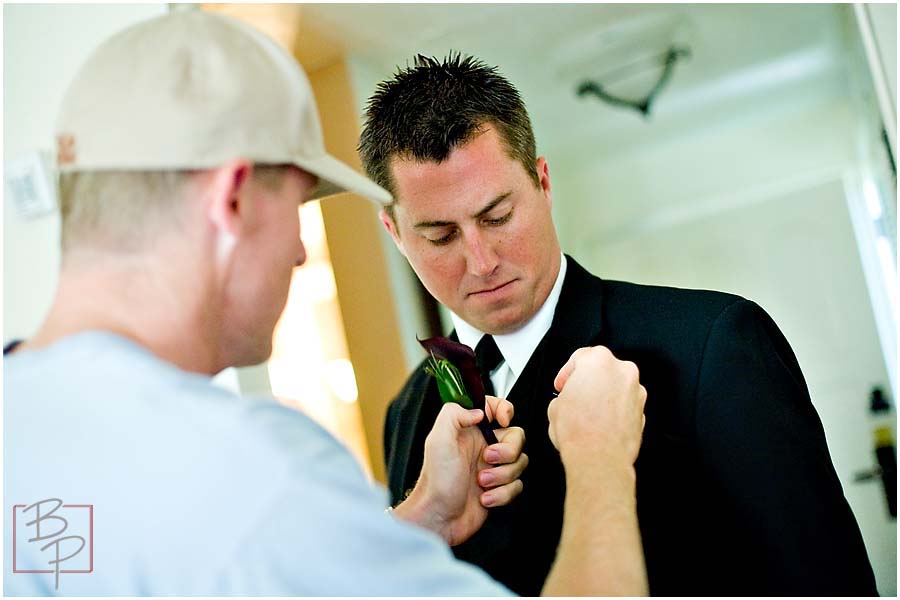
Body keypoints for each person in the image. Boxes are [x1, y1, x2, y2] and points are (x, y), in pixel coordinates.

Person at [4, 11, 649, 597]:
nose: (299, 255)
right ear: (232, 201)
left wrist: (420, 518)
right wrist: (599, 463)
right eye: (297, 209)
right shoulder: (259, 481)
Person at [359, 53, 879, 596]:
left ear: (541, 182)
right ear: (396, 233)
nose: (482, 260)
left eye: (498, 216)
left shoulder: (713, 343)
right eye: (441, 236)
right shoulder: (405, 413)